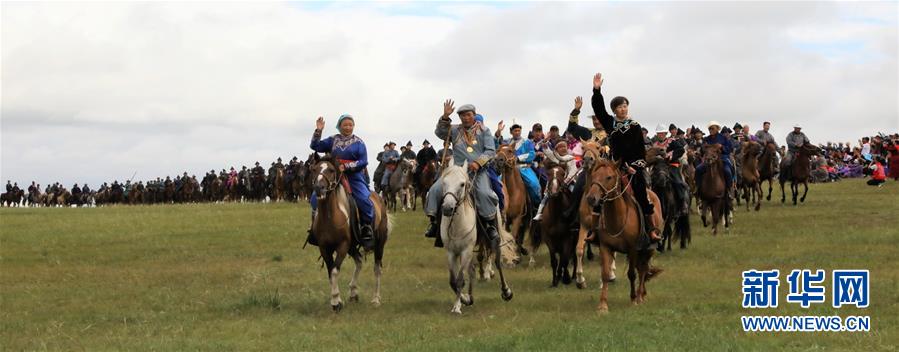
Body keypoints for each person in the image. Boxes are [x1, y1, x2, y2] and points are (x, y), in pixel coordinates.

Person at [590, 72, 661, 243]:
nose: (623, 109)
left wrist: (634, 167)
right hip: (614, 166)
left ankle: (651, 230)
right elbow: (598, 108)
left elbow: (639, 150)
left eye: (625, 106)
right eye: (620, 107)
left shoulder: (635, 126)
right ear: (614, 110)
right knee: (600, 192)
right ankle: (594, 232)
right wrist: (597, 90)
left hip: (633, 167)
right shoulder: (609, 123)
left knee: (641, 193)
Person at [423, 101, 500, 248]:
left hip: (477, 171)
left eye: (468, 115)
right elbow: (440, 133)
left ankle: (490, 225)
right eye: (462, 115)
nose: (465, 118)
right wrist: (445, 117)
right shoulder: (454, 130)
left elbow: (490, 151)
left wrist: (478, 163)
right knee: (435, 189)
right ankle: (434, 224)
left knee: (483, 193)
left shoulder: (485, 131)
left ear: (474, 115)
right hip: (456, 171)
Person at [307, 114, 376, 250]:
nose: (348, 127)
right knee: (315, 198)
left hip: (354, 176)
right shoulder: (333, 140)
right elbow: (314, 146)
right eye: (345, 125)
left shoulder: (359, 142)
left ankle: (366, 228)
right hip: (333, 176)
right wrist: (318, 130)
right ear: (339, 126)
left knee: (364, 199)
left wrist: (347, 166)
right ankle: (315, 226)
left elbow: (364, 161)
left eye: (350, 125)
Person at [495, 123, 542, 208]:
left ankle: (536, 206)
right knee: (496, 183)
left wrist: (518, 158)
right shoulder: (506, 142)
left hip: (523, 168)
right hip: (507, 169)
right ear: (511, 132)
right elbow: (497, 144)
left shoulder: (527, 142)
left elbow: (532, 154)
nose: (517, 132)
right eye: (515, 131)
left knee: (534, 185)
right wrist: (499, 131)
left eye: (519, 131)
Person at [695, 121, 735, 212]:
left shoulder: (723, 138)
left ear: (717, 128)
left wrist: (721, 147)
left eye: (712, 128)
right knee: (698, 169)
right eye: (709, 128)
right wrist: (703, 148)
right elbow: (702, 150)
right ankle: (698, 189)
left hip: (722, 159)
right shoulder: (706, 139)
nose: (710, 130)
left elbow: (730, 149)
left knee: (728, 171)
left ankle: (729, 190)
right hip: (708, 160)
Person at [533, 140, 578, 221]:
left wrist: (566, 181)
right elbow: (548, 152)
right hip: (554, 181)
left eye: (564, 146)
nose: (563, 148)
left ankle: (576, 215)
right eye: (560, 147)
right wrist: (545, 146)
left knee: (575, 193)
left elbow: (573, 171)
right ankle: (539, 213)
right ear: (556, 149)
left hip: (568, 182)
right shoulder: (554, 157)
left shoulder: (571, 158)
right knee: (546, 196)